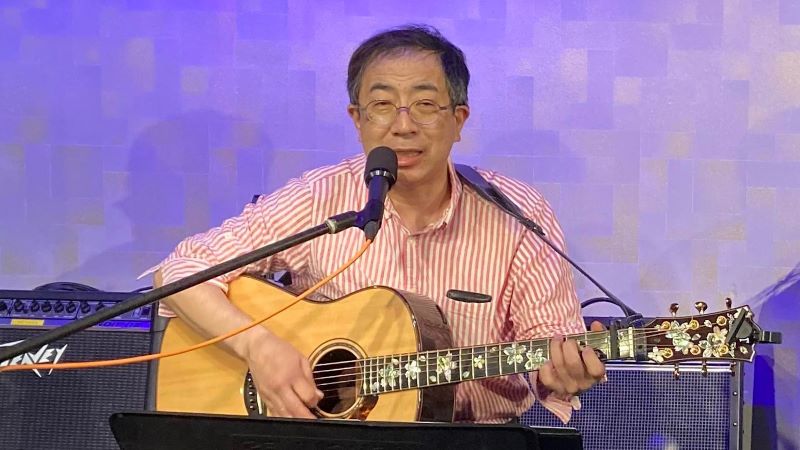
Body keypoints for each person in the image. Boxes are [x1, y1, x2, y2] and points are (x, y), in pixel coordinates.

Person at [150, 24, 605, 424]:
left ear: (458, 120)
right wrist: (259, 348)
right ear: (358, 119)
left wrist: (561, 371)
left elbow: (551, 349)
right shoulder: (320, 197)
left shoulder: (519, 214)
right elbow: (179, 273)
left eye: (425, 104)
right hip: (316, 438)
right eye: (382, 104)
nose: (403, 126)